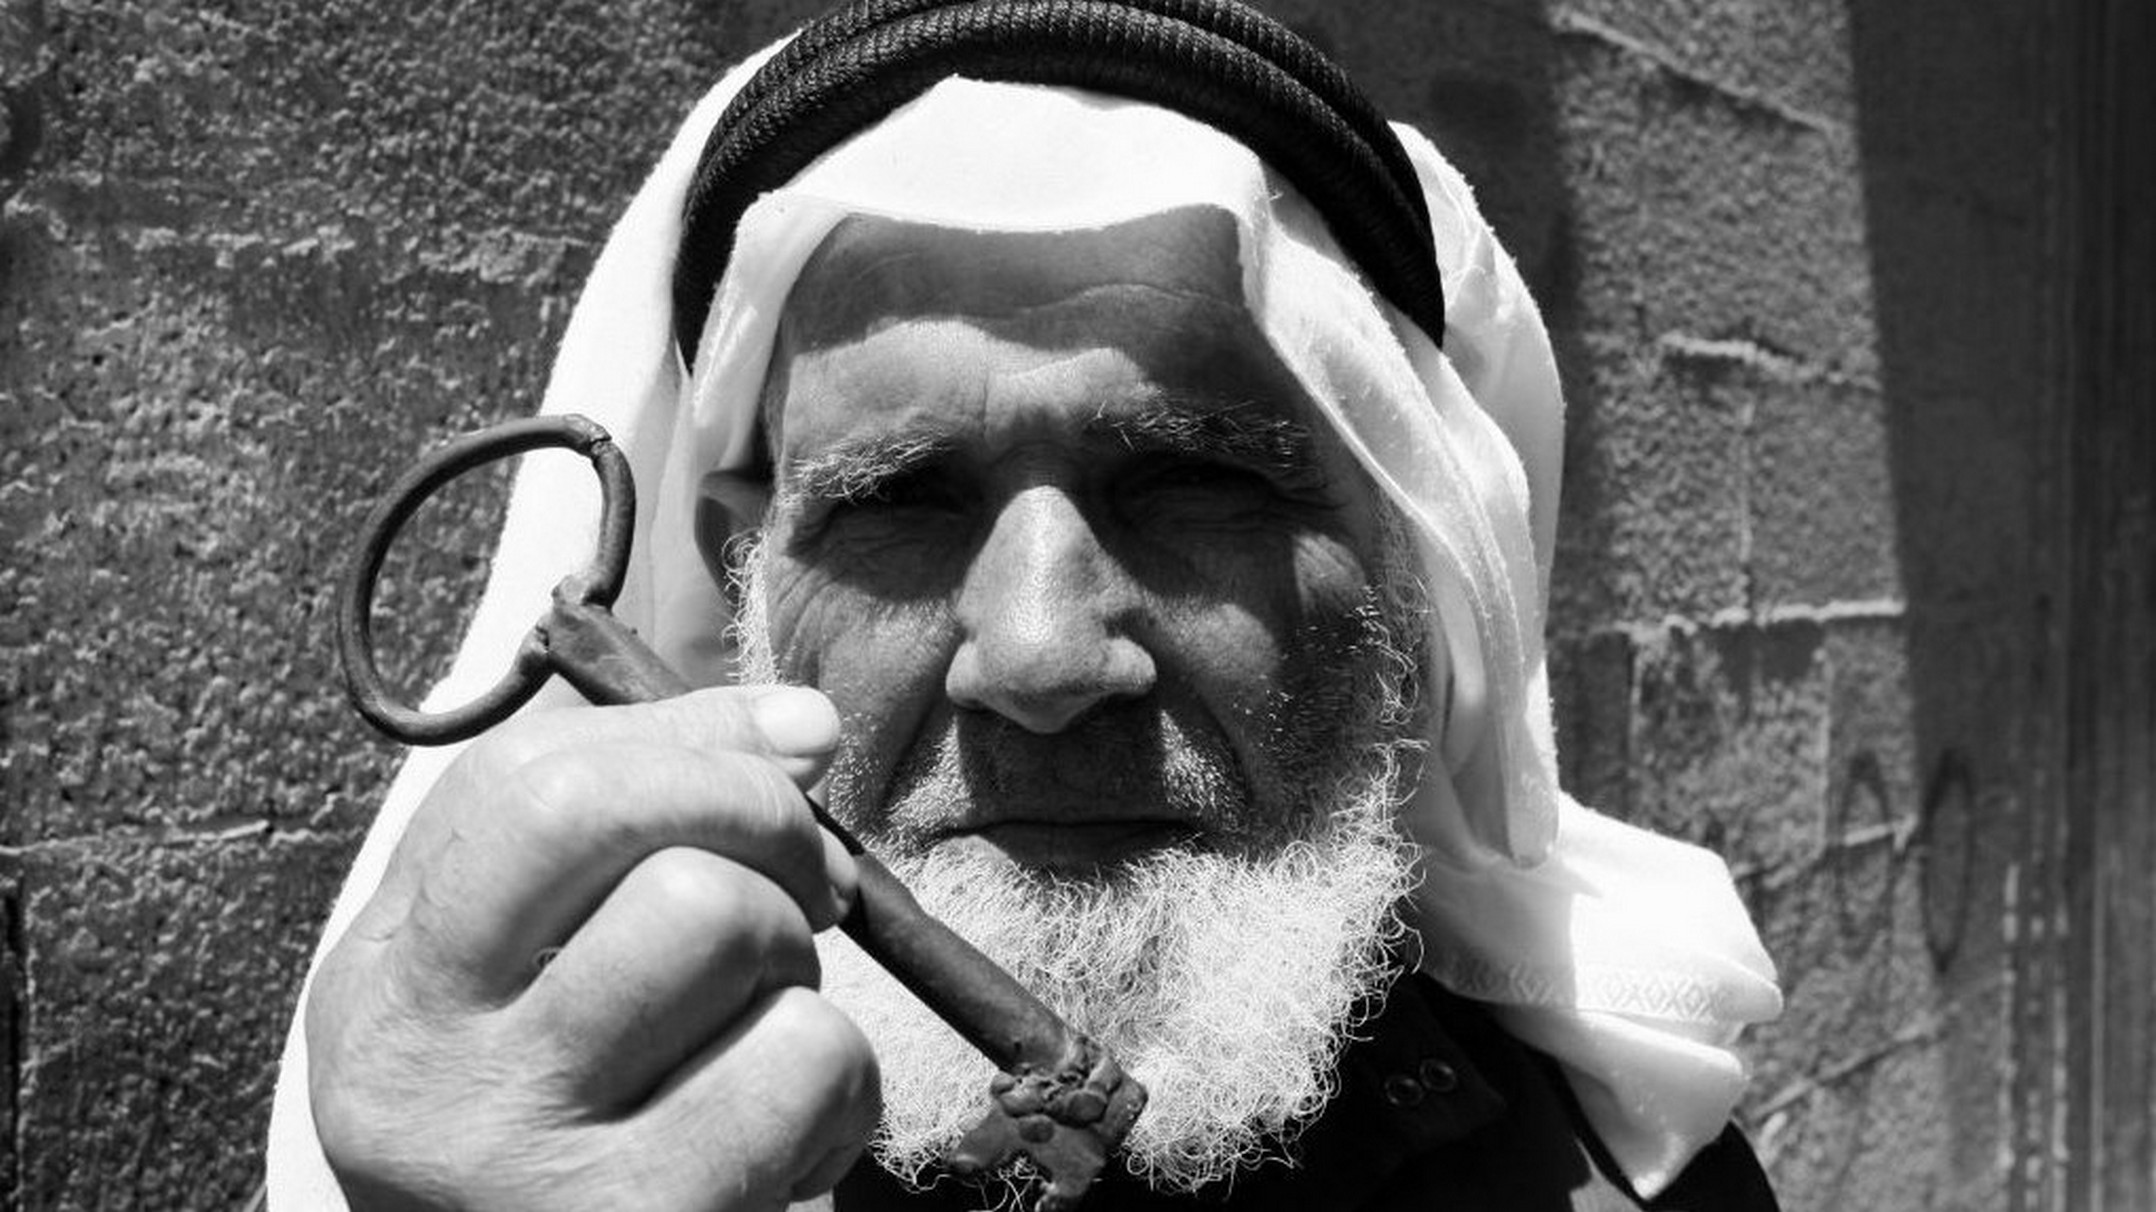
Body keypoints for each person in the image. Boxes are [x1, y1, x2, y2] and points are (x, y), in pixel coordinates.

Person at [269, 3, 1784, 1208]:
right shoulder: (536, 1147)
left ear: (1416, 576)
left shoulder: (1622, 1172)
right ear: (745, 584)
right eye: (900, 504)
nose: (1044, 655)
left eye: (1197, 483)